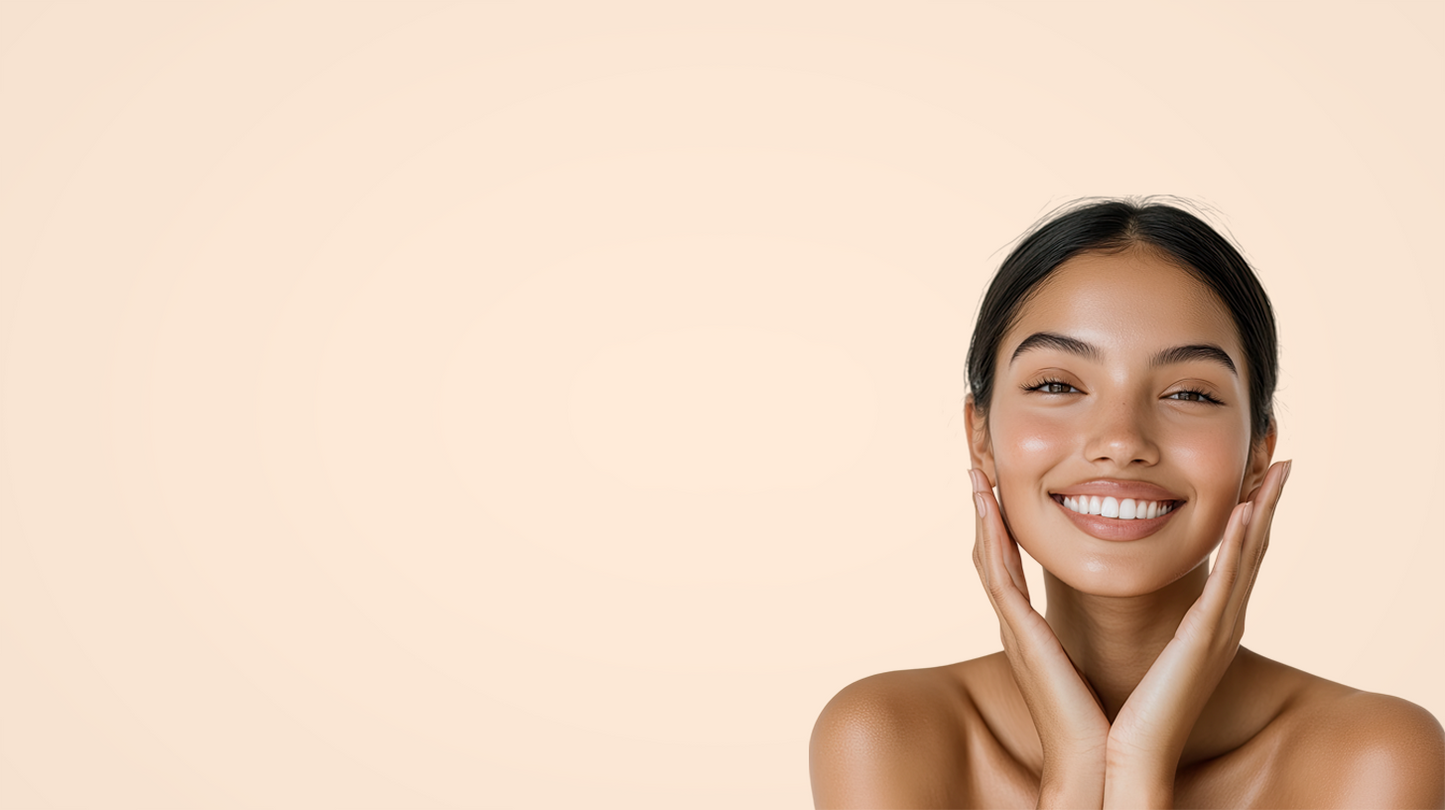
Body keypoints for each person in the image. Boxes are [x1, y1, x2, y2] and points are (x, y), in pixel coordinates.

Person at [808, 198, 1445, 808]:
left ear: (1258, 453)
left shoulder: (1375, 756)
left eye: (1189, 394)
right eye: (1056, 384)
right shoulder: (884, 737)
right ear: (981, 434)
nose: (1120, 441)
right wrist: (1075, 768)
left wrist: (1139, 766)